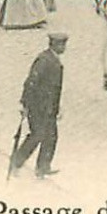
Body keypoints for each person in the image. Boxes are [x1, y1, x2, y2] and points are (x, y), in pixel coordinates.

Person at [9, 32, 67, 178]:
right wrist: (24, 103)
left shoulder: (54, 60)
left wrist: (56, 107)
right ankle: (16, 162)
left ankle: (43, 167)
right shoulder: (43, 60)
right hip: (37, 106)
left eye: (64, 44)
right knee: (37, 135)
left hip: (49, 108)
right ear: (53, 44)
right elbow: (31, 82)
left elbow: (56, 89)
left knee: (51, 136)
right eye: (61, 44)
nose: (64, 47)